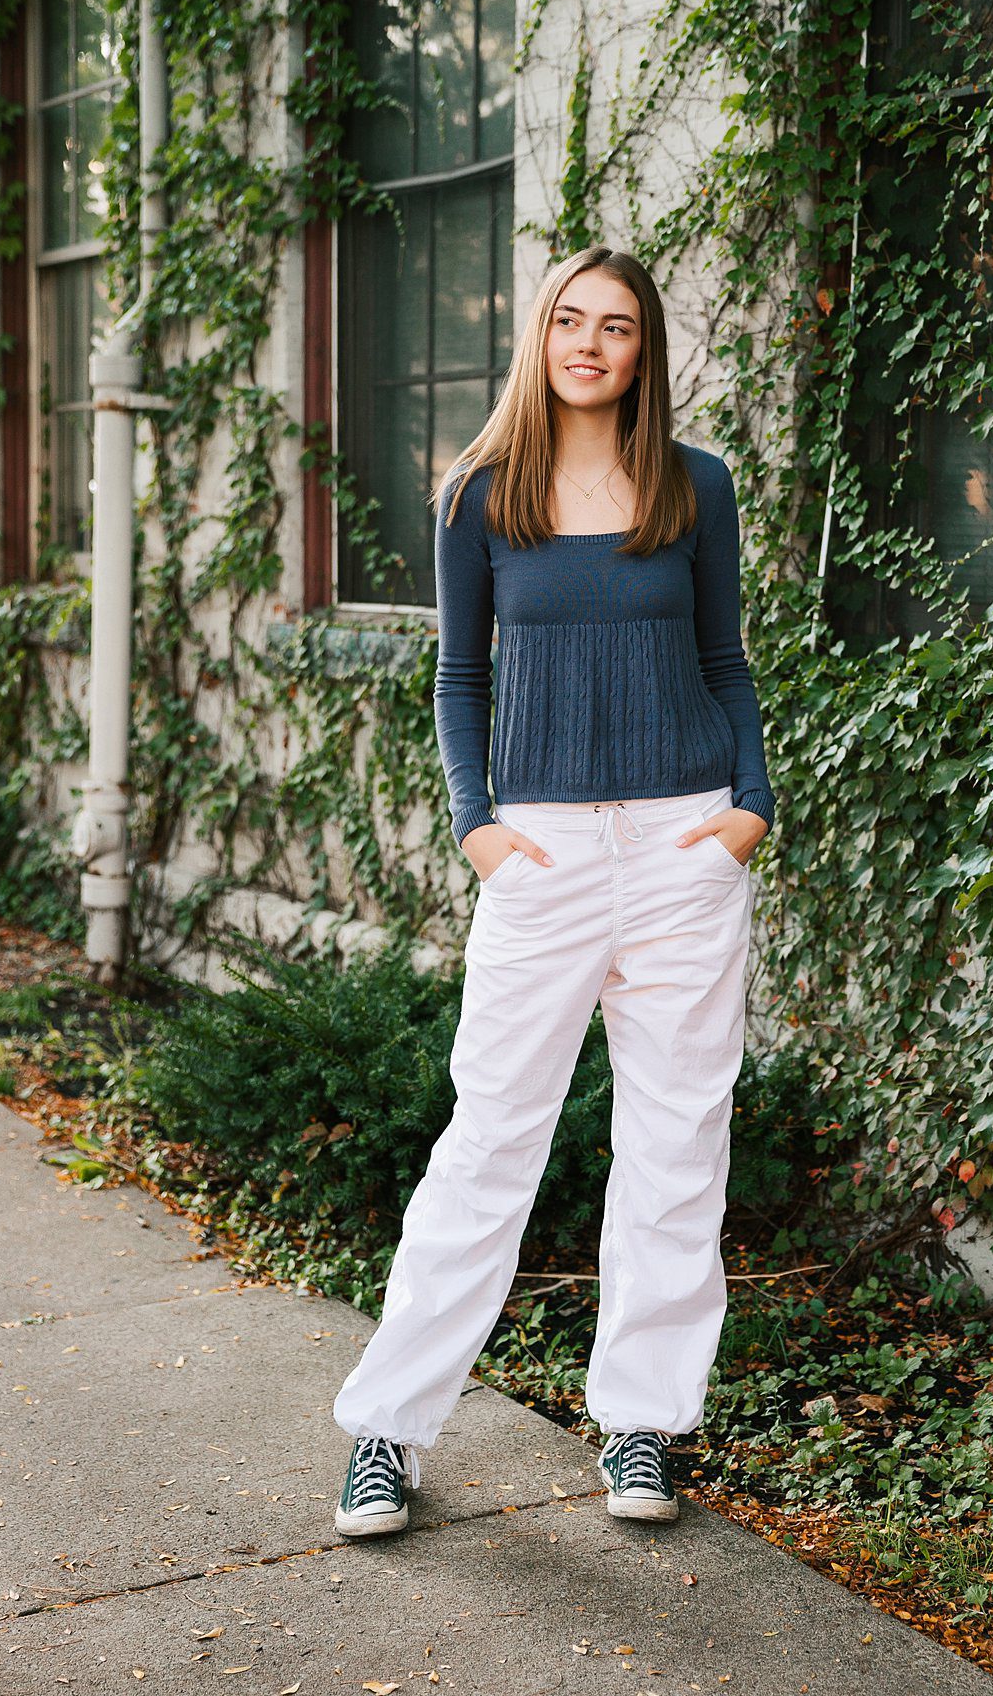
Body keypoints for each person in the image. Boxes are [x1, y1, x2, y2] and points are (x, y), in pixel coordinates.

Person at [332, 244, 776, 1537]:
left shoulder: (694, 487)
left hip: (686, 843)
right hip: (540, 856)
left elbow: (724, 658)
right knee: (488, 1140)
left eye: (617, 326)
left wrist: (747, 808)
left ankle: (642, 1427)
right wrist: (477, 828)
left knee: (677, 1142)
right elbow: (456, 679)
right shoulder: (480, 496)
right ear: (539, 337)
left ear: (643, 351)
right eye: (570, 320)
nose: (590, 343)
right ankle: (387, 1432)